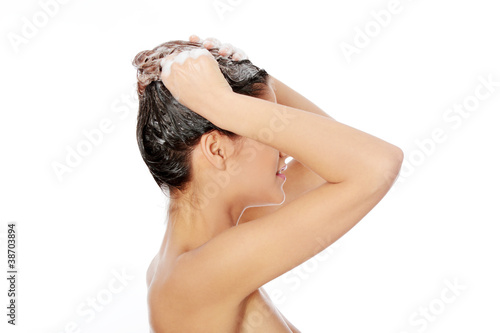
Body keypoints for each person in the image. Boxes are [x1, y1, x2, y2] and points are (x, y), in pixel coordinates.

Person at [132, 35, 403, 333]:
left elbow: (328, 155)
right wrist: (219, 102)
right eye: (265, 132)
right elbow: (377, 164)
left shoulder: (204, 252)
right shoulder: (197, 275)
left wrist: (257, 78)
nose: (284, 149)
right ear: (217, 150)